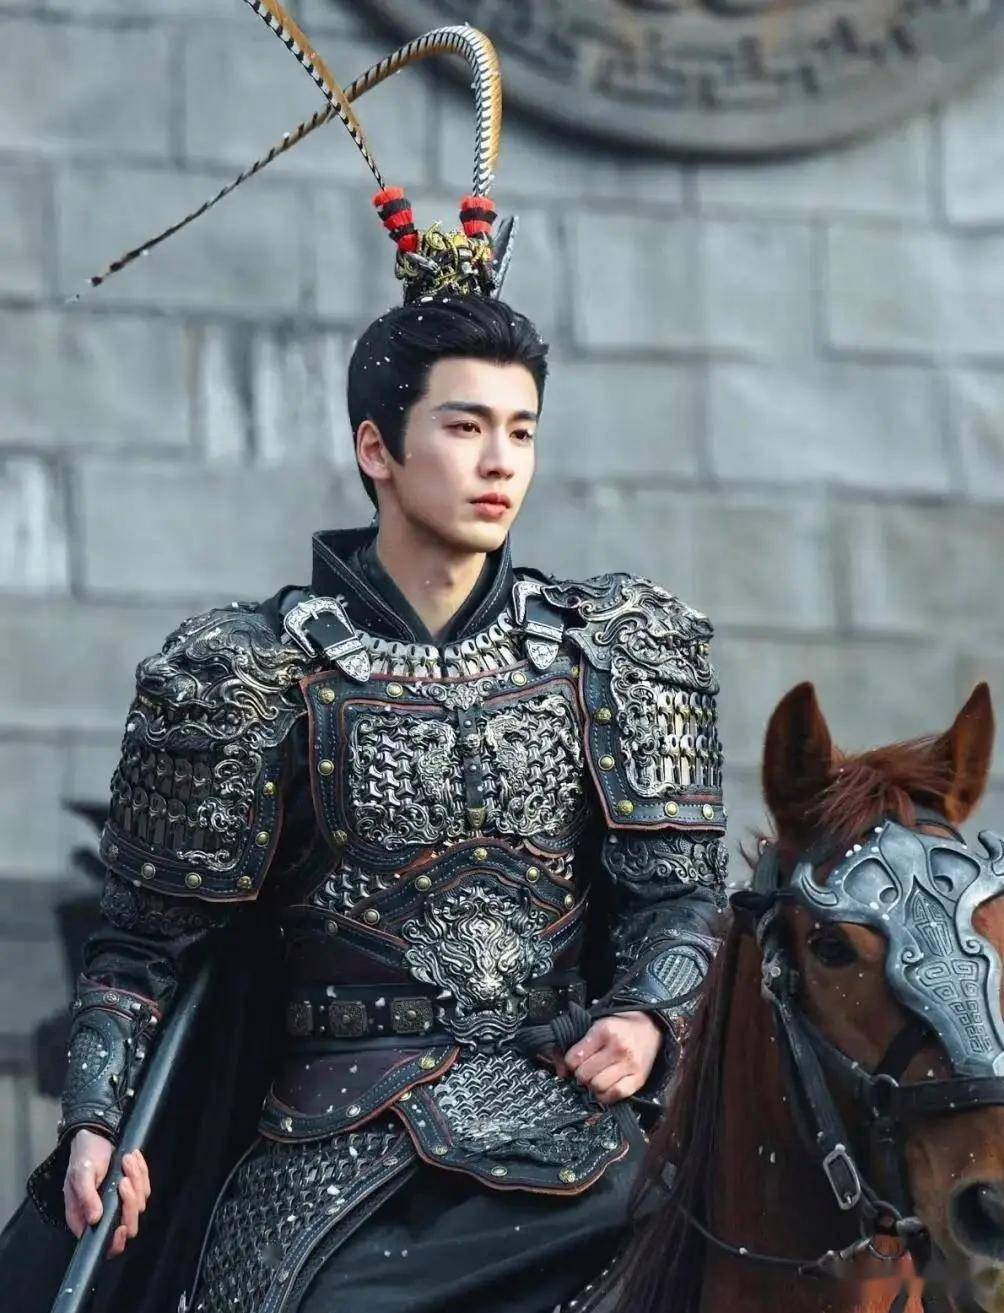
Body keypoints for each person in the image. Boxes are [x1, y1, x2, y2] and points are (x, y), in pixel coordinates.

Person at [10, 8, 728, 1312]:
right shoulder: (247, 673)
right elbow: (142, 952)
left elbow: (679, 903)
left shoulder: (614, 652)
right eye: (465, 425)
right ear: (377, 448)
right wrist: (100, 1125)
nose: (501, 460)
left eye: (522, 428)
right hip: (333, 1150)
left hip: (580, 1138)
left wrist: (649, 1017)